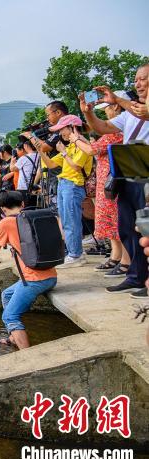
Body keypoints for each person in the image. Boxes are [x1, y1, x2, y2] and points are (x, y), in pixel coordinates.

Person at [81, 64, 149, 296]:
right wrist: (88, 112)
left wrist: (117, 99)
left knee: (146, 228)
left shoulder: (137, 109)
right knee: (126, 227)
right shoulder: (130, 113)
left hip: (146, 172)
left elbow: (144, 112)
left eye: (143, 79)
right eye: (136, 80)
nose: (138, 84)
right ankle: (136, 276)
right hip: (129, 169)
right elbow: (103, 127)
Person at [0, 191, 57, 349]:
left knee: (10, 316)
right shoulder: (35, 216)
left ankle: (27, 356)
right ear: (22, 204)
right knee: (6, 294)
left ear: (2, 209)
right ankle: (13, 338)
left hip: (33, 281)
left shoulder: (6, 222)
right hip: (50, 276)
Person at [78, 93, 130, 277]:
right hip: (107, 180)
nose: (105, 113)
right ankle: (116, 256)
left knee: (116, 220)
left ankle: (126, 259)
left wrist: (76, 139)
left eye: (107, 108)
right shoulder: (113, 130)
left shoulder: (117, 131)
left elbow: (93, 149)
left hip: (114, 180)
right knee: (109, 220)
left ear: (117, 107)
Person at [38, 115, 93, 268]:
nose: (60, 133)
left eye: (62, 129)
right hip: (64, 185)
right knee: (67, 220)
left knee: (71, 221)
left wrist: (63, 153)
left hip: (74, 185)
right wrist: (40, 150)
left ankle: (75, 254)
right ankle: (74, 252)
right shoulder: (69, 147)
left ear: (72, 128)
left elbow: (76, 166)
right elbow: (50, 164)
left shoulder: (81, 144)